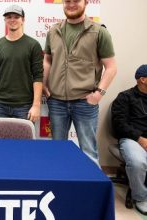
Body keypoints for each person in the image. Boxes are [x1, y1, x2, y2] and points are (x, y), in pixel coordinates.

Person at [43, 0, 117, 165]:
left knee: (88, 152)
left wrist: (99, 94)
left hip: (85, 102)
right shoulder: (54, 30)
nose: (71, 4)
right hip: (56, 102)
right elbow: (47, 60)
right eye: (67, 1)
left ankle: (92, 191)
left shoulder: (99, 32)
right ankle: (59, 187)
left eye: (76, 0)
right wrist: (44, 84)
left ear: (86, 3)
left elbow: (111, 67)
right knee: (57, 151)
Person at [0, 5, 43, 122]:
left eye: (16, 17)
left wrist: (36, 105)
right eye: (9, 17)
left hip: (24, 106)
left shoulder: (33, 45)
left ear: (23, 20)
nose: (12, 20)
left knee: (23, 140)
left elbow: (38, 76)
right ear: (5, 20)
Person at [112, 65, 147, 215]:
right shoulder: (125, 97)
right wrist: (140, 139)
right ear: (143, 80)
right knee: (138, 162)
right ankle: (140, 197)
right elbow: (119, 125)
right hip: (132, 139)